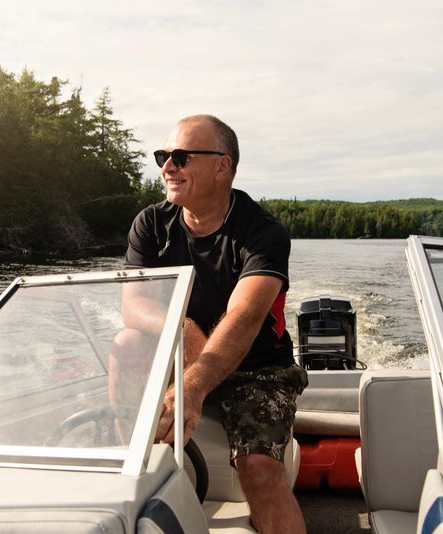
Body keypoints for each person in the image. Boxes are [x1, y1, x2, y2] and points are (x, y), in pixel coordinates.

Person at [121, 115, 308, 533]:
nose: (168, 166)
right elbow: (133, 306)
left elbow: (244, 318)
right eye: (163, 156)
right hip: (181, 355)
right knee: (127, 342)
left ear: (222, 166)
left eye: (181, 157)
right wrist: (184, 328)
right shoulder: (151, 224)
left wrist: (194, 383)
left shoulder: (262, 233)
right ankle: (129, 475)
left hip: (257, 368)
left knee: (259, 470)